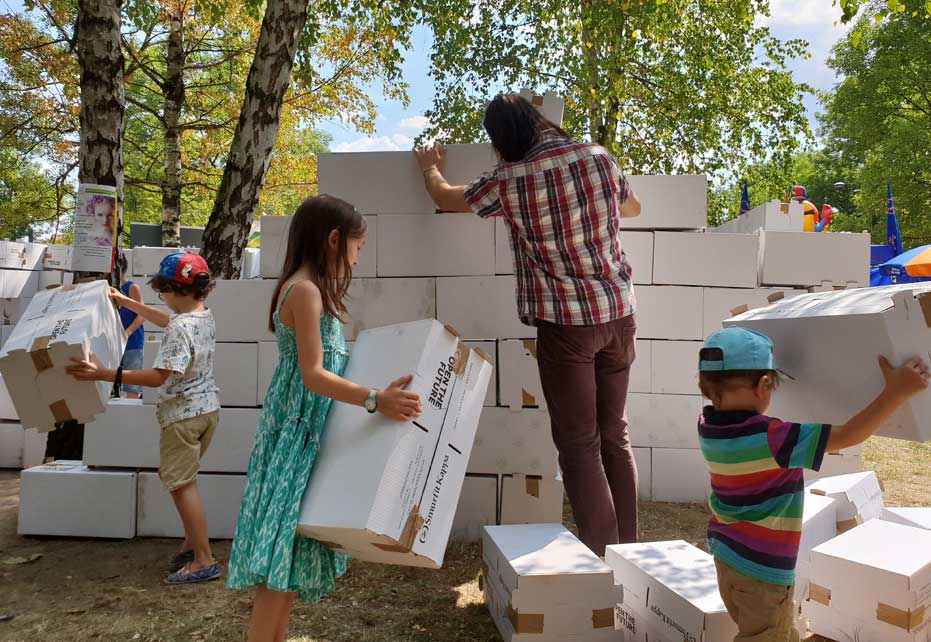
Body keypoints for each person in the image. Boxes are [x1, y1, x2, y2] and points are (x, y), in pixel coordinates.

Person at [414, 93, 642, 557]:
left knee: (579, 444)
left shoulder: (509, 179)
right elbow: (632, 207)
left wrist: (429, 166)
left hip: (566, 324)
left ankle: (604, 559)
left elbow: (445, 197)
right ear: (538, 121)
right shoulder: (598, 156)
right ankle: (631, 554)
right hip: (619, 313)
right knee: (614, 434)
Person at [226, 195, 421, 642]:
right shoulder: (306, 291)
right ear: (334, 239)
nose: (357, 257)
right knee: (282, 556)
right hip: (296, 435)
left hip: (301, 431)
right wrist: (375, 400)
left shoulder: (304, 288)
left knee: (288, 559)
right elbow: (313, 374)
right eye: (357, 246)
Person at [697, 327, 930, 642]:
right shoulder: (773, 438)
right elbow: (850, 435)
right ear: (764, 385)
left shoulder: (708, 426)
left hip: (728, 558)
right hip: (761, 570)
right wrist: (896, 392)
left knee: (775, 630)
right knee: (769, 635)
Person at [67, 252, 222, 585]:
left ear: (175, 290)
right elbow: (168, 320)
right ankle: (192, 542)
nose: (162, 298)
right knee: (185, 481)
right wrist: (127, 302)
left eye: (163, 291)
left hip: (182, 417)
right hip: (207, 411)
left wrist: (104, 374)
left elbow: (157, 377)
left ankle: (203, 560)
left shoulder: (181, 328)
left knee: (181, 486)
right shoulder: (202, 315)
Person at [116, 253, 145, 399]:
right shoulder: (109, 289)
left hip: (132, 342)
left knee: (132, 385)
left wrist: (127, 333)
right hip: (114, 342)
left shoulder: (131, 287)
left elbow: (142, 314)